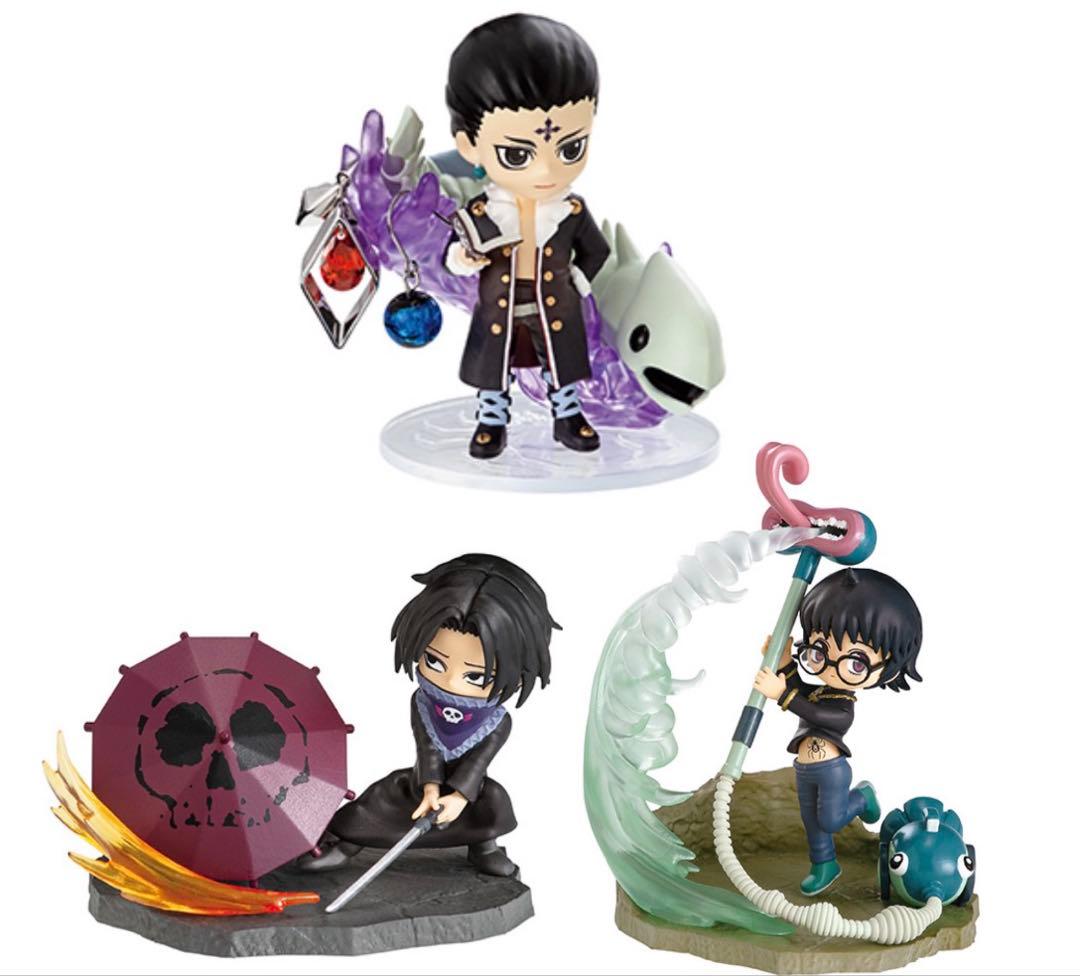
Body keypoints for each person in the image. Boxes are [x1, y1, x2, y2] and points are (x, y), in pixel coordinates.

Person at [301, 553, 556, 877]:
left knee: (489, 805)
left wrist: (460, 797)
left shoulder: (495, 722)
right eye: (435, 661)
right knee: (382, 797)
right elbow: (427, 747)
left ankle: (484, 849)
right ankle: (346, 845)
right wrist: (431, 788)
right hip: (423, 781)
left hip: (470, 791)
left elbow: (477, 763)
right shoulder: (423, 702)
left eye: (475, 676)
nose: (450, 682)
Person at [443, 14, 611, 459]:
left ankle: (568, 414)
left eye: (570, 148)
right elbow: (455, 253)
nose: (547, 170)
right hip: (499, 303)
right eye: (517, 154)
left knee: (561, 360)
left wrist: (578, 279)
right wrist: (463, 259)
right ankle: (491, 419)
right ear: (469, 145)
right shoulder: (483, 211)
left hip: (554, 301)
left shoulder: (570, 211)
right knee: (493, 365)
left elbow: (596, 251)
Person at [753, 568, 923, 895]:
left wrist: (782, 694)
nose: (831, 666)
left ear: (886, 668)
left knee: (830, 820)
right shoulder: (819, 690)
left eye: (856, 662)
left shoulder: (843, 706)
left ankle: (861, 798)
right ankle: (824, 865)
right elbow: (801, 690)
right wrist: (786, 663)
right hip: (804, 768)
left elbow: (818, 714)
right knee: (812, 822)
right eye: (819, 650)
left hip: (832, 770)